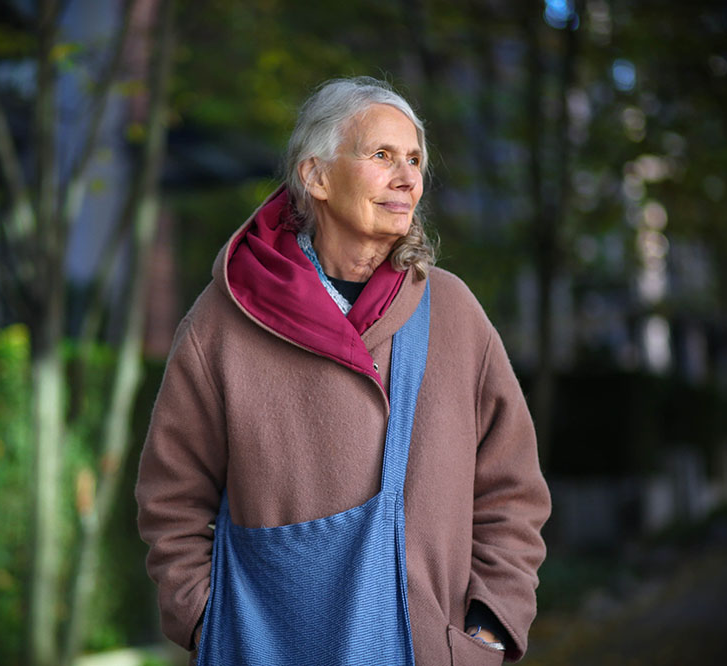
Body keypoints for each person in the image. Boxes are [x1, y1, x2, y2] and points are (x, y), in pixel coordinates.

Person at [136, 76, 551, 665]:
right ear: (317, 177)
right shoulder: (224, 322)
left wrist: (487, 629)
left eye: (414, 160)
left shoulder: (454, 315)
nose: (407, 178)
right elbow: (171, 500)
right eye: (382, 156)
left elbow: (514, 490)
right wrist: (209, 621)